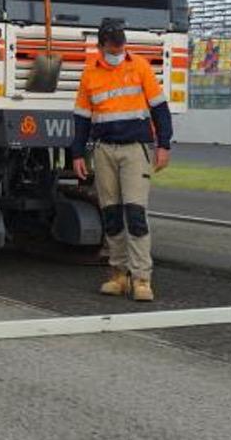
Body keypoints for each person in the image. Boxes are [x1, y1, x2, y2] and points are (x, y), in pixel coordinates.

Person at [69, 18, 173, 302]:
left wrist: (163, 145)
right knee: (111, 214)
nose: (118, 50)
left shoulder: (139, 67)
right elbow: (81, 118)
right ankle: (118, 274)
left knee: (136, 214)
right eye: (113, 46)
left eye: (120, 44)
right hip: (104, 150)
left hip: (134, 149)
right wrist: (77, 152)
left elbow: (160, 109)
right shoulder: (90, 73)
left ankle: (141, 278)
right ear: (101, 45)